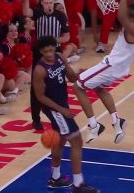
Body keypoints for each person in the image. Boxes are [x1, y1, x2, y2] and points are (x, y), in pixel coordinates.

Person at [73, 0, 134, 144]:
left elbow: (121, 16)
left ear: (133, 18)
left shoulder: (133, 31)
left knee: (78, 85)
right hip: (119, 68)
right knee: (98, 87)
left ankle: (93, 125)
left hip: (111, 66)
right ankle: (116, 121)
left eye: (129, 16)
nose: (126, 17)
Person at [32, 36, 98, 192]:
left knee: (60, 141)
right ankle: (78, 184)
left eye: (50, 50)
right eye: (45, 51)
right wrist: (61, 110)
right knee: (76, 140)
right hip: (53, 108)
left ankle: (55, 178)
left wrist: (84, 73)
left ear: (55, 48)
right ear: (40, 51)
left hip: (63, 104)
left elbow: (71, 77)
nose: (49, 54)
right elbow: (40, 97)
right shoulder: (39, 70)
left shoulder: (60, 57)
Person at [23, 0, 69, 130]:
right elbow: (26, 12)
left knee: (58, 83)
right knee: (36, 87)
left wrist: (53, 42)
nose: (48, 5)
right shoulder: (37, 13)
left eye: (50, 3)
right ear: (42, 3)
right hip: (39, 53)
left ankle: (61, 111)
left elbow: (67, 36)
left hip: (56, 52)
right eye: (46, 3)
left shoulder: (61, 16)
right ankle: (35, 119)